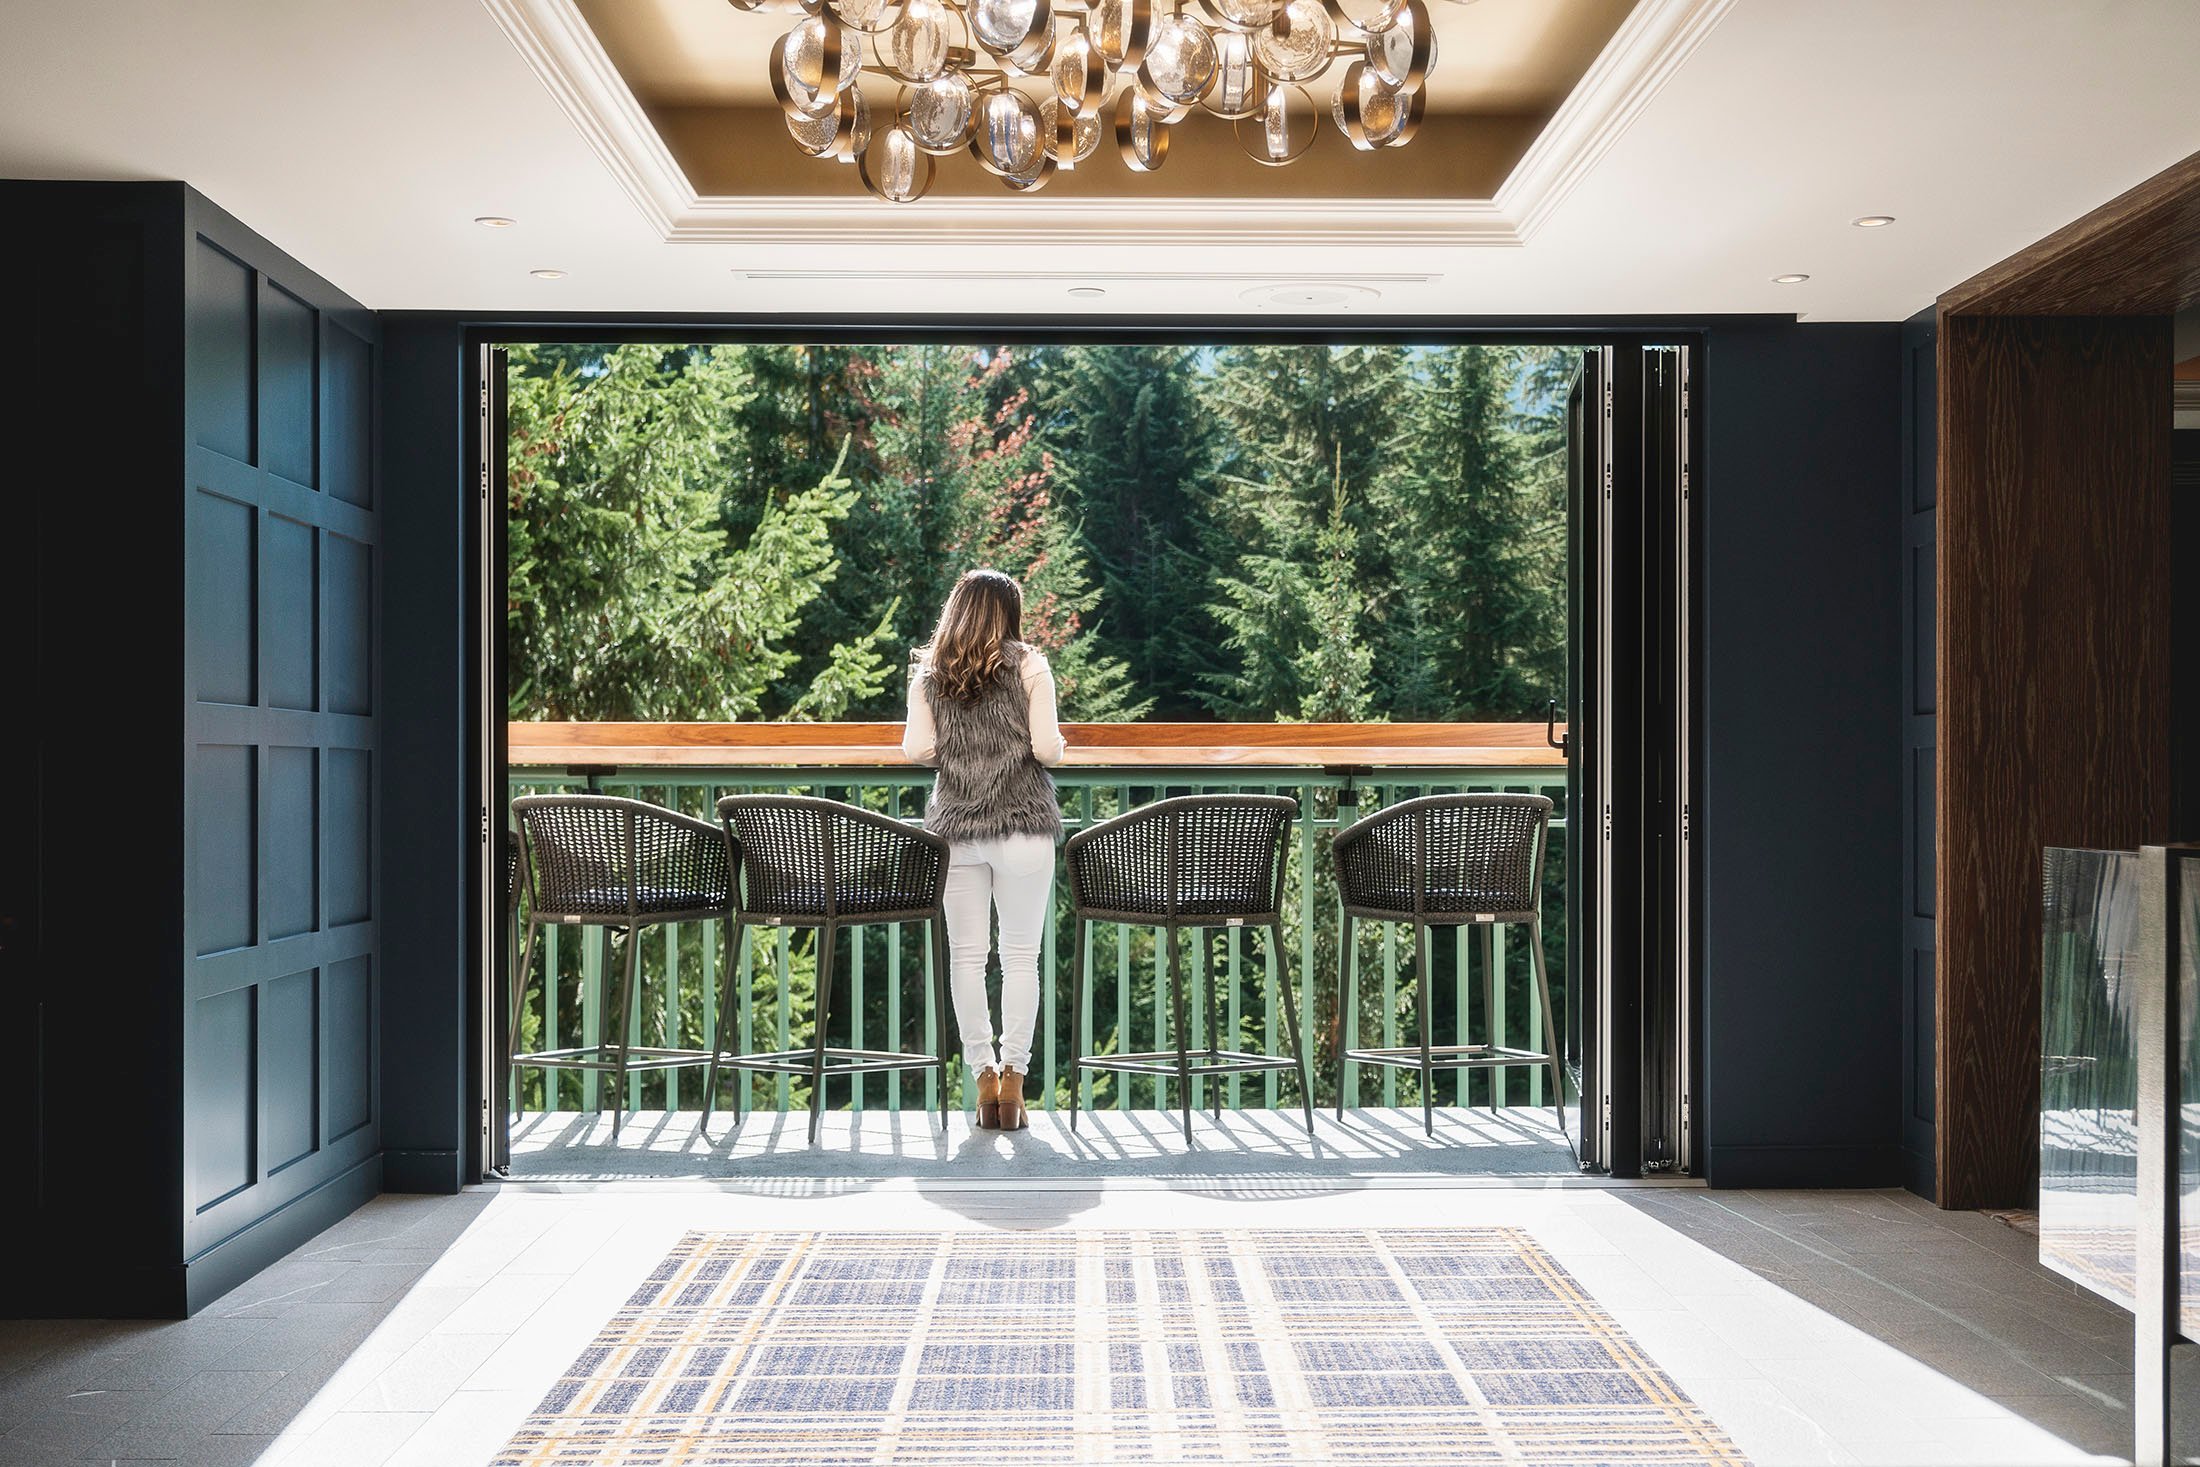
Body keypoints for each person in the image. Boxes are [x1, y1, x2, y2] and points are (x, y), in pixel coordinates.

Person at [901, 569, 1066, 1130]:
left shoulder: (930, 672)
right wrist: (1055, 744)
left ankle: (983, 1080)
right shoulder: (1029, 665)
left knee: (967, 959)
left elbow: (917, 747)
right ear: (1010, 614)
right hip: (1023, 823)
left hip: (957, 828)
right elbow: (1047, 747)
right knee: (1021, 958)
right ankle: (1015, 1084)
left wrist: (960, 749)